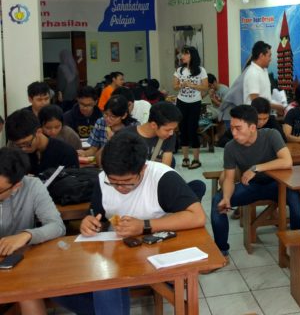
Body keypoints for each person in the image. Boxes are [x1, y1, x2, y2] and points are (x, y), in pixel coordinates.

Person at [54, 132, 206, 315]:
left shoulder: (162, 178)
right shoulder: (103, 179)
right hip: (119, 253)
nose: (120, 188)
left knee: (106, 286)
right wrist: (89, 222)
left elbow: (197, 216)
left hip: (158, 251)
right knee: (58, 287)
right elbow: (98, 215)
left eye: (127, 182)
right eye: (113, 182)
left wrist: (145, 225)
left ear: (143, 169)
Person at [211, 105, 300, 256]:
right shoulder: (230, 147)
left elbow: (287, 161)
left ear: (252, 127)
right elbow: (229, 179)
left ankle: (297, 247)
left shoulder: (271, 135)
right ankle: (221, 251)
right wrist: (226, 198)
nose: (234, 133)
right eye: (232, 128)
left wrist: (256, 168)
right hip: (251, 187)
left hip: (278, 185)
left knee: (298, 205)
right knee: (217, 201)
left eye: (238, 128)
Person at [0, 147, 66, 315]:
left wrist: (27, 235)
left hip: (17, 264)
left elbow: (57, 226)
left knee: (27, 292)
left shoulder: (32, 186)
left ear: (16, 186)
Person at [6, 109, 79, 174]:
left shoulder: (66, 153)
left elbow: (73, 183)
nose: (23, 149)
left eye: (27, 143)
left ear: (39, 132)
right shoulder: (14, 153)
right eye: (19, 145)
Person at [173, 46, 208, 170]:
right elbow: (174, 86)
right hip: (181, 102)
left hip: (195, 103)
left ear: (192, 55)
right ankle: (185, 158)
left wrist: (192, 85)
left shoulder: (201, 70)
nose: (182, 56)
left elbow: (205, 87)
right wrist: (181, 85)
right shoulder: (179, 70)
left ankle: (196, 159)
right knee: (183, 129)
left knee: (192, 130)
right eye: (182, 54)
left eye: (185, 54)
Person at [121, 101, 181, 167]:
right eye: (167, 130)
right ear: (153, 125)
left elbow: (165, 168)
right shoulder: (125, 135)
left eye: (174, 129)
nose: (171, 133)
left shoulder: (169, 136)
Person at [79, 95, 139, 159]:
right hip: (103, 159)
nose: (107, 119)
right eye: (106, 114)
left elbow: (133, 154)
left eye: (113, 116)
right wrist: (84, 153)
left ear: (124, 115)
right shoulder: (101, 122)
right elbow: (93, 149)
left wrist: (112, 140)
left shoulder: (134, 127)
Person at [219, 97, 286, 147]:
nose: (261, 122)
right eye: (259, 119)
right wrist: (243, 142)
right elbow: (222, 141)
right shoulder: (244, 121)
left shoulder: (272, 120)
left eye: (265, 118)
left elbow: (283, 139)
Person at [243, 41, 285, 115]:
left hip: (264, 114)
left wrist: (278, 106)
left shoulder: (264, 70)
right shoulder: (253, 72)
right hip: (254, 117)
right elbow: (255, 101)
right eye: (269, 56)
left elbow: (265, 97)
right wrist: (277, 107)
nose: (270, 59)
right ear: (261, 56)